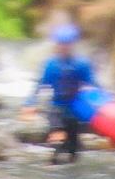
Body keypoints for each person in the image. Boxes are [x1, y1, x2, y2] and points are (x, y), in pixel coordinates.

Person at [21, 23, 97, 164]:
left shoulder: (81, 64)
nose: (63, 47)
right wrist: (30, 103)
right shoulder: (51, 65)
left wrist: (104, 103)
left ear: (72, 45)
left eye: (66, 44)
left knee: (73, 149)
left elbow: (93, 84)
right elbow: (40, 85)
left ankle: (70, 167)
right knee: (57, 137)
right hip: (56, 108)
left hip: (74, 110)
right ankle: (52, 164)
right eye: (61, 44)